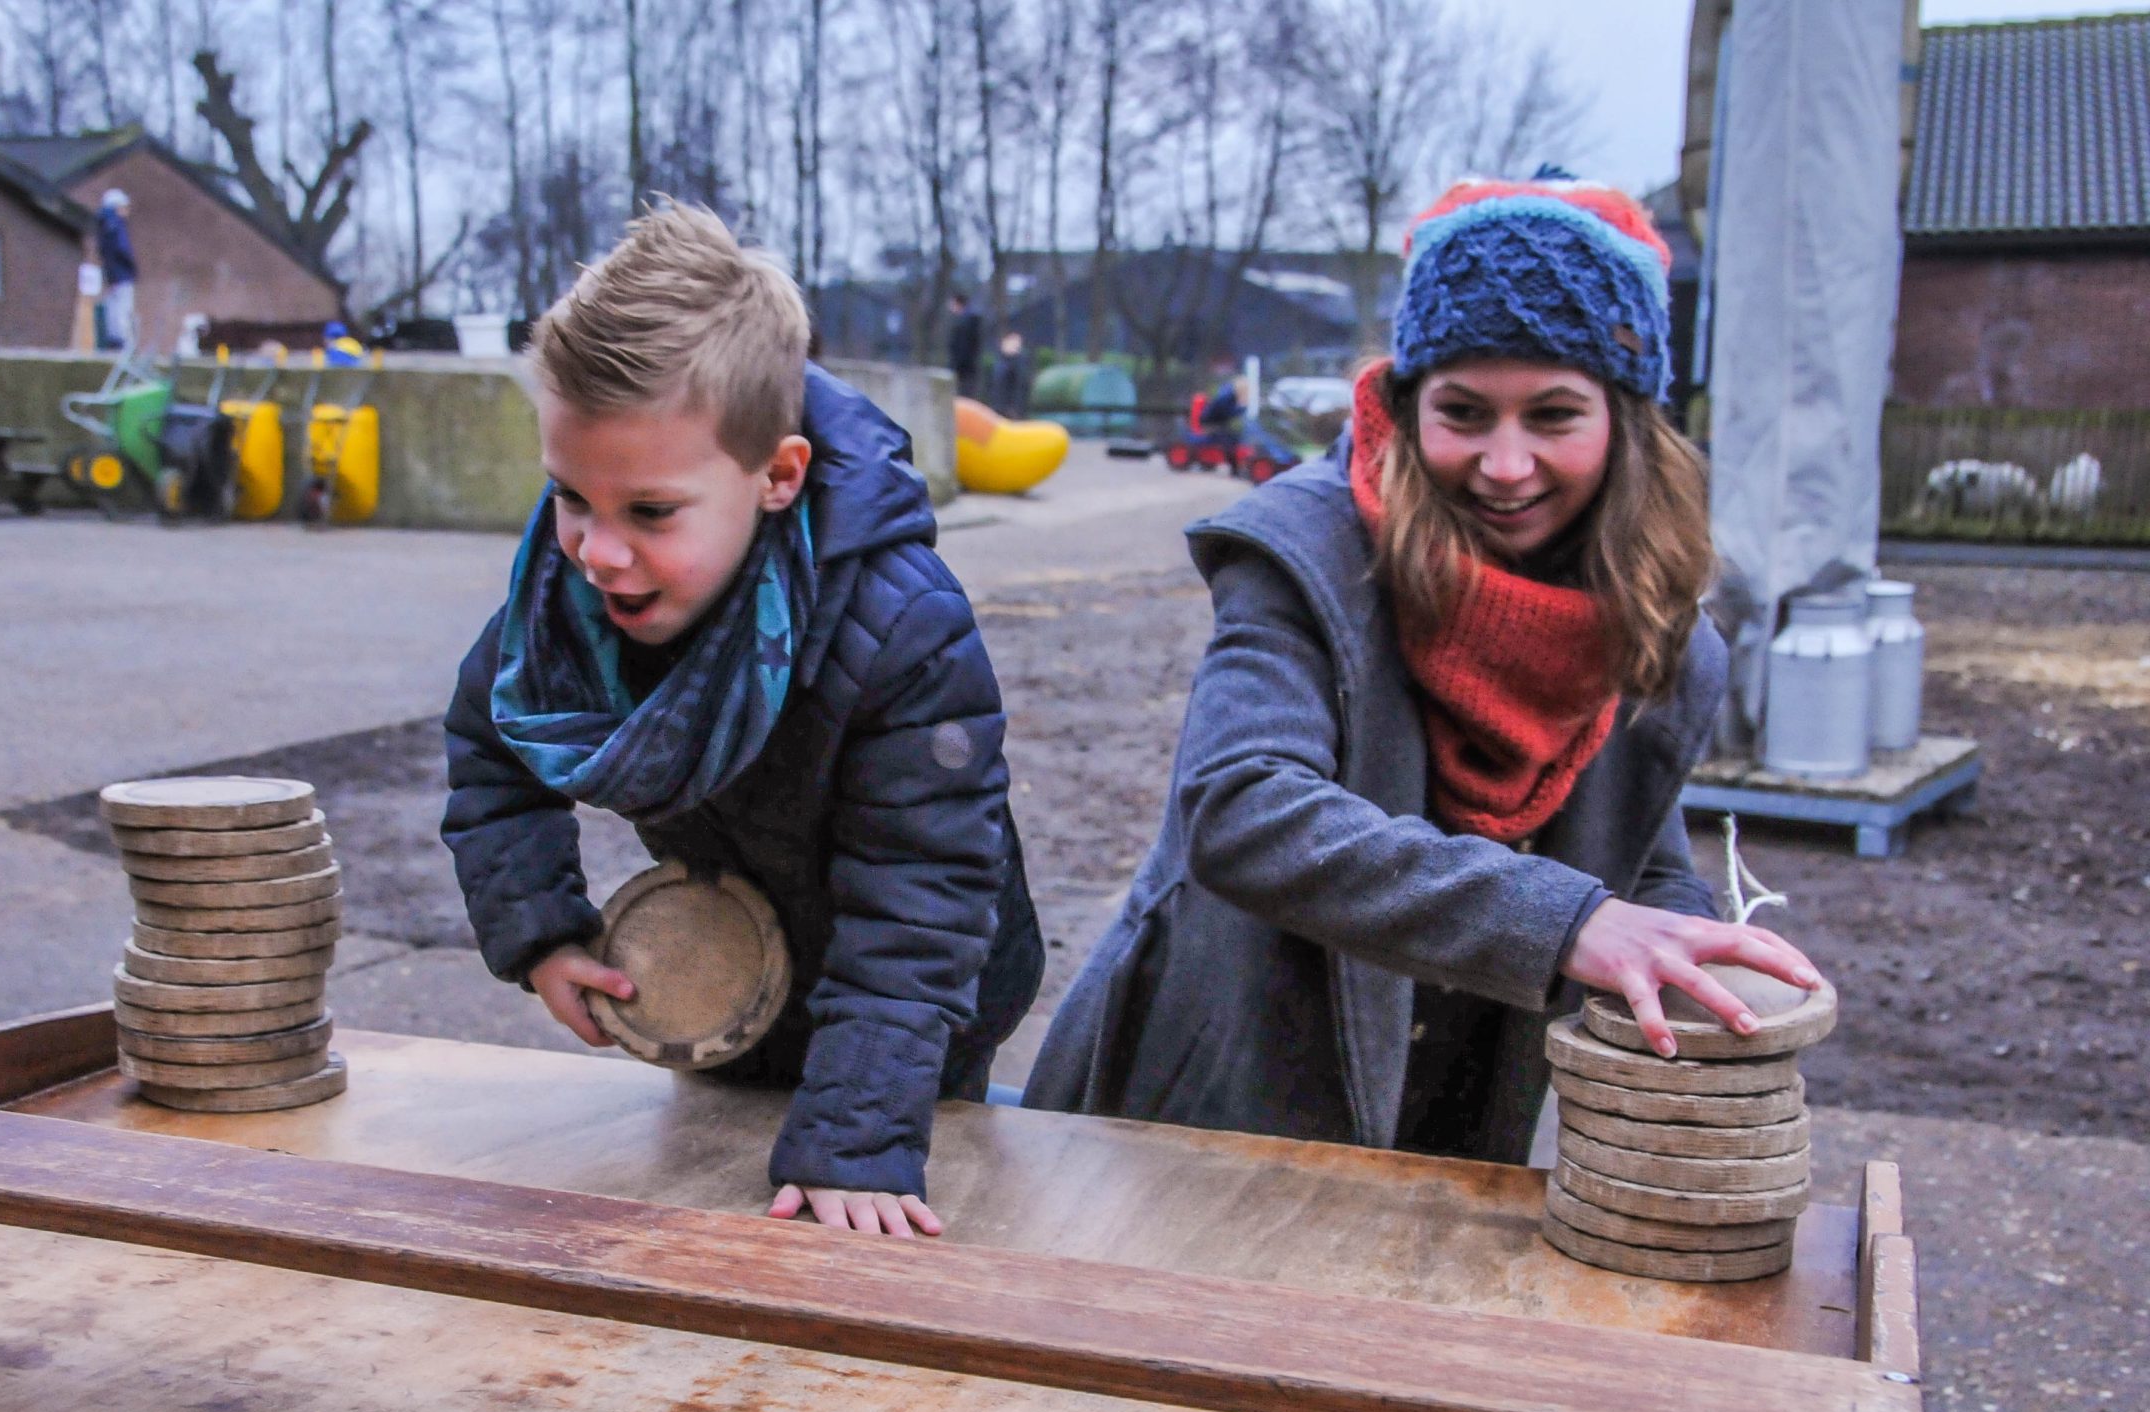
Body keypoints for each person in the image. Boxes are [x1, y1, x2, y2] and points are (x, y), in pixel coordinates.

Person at [1024, 177, 1822, 1162]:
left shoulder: (1654, 622)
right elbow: (1240, 806)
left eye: (1553, 415)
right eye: (1464, 411)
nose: (1504, 461)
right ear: (1409, 404)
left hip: (1451, 1107)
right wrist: (1572, 923)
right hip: (1207, 1098)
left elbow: (1644, 859)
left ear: (1625, 421)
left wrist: (1700, 966)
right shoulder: (1303, 549)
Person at [442, 204, 1043, 1237]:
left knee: (858, 1208)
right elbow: (488, 743)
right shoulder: (568, 605)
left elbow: (922, 895)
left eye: (650, 511)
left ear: (778, 475)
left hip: (920, 987)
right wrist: (540, 930)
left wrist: (858, 1136)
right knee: (711, 1199)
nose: (595, 551)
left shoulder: (903, 626)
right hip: (718, 970)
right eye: (571, 496)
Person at [95, 188, 138, 351]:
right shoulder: (116, 224)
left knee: (113, 308)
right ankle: (124, 345)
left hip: (112, 274)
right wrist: (130, 265)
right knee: (123, 308)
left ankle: (114, 341)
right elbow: (122, 248)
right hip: (122, 274)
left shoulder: (104, 224)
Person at [946, 291, 984, 395]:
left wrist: (956, 366)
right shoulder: (966, 320)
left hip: (964, 369)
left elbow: (964, 347)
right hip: (965, 368)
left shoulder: (966, 322)